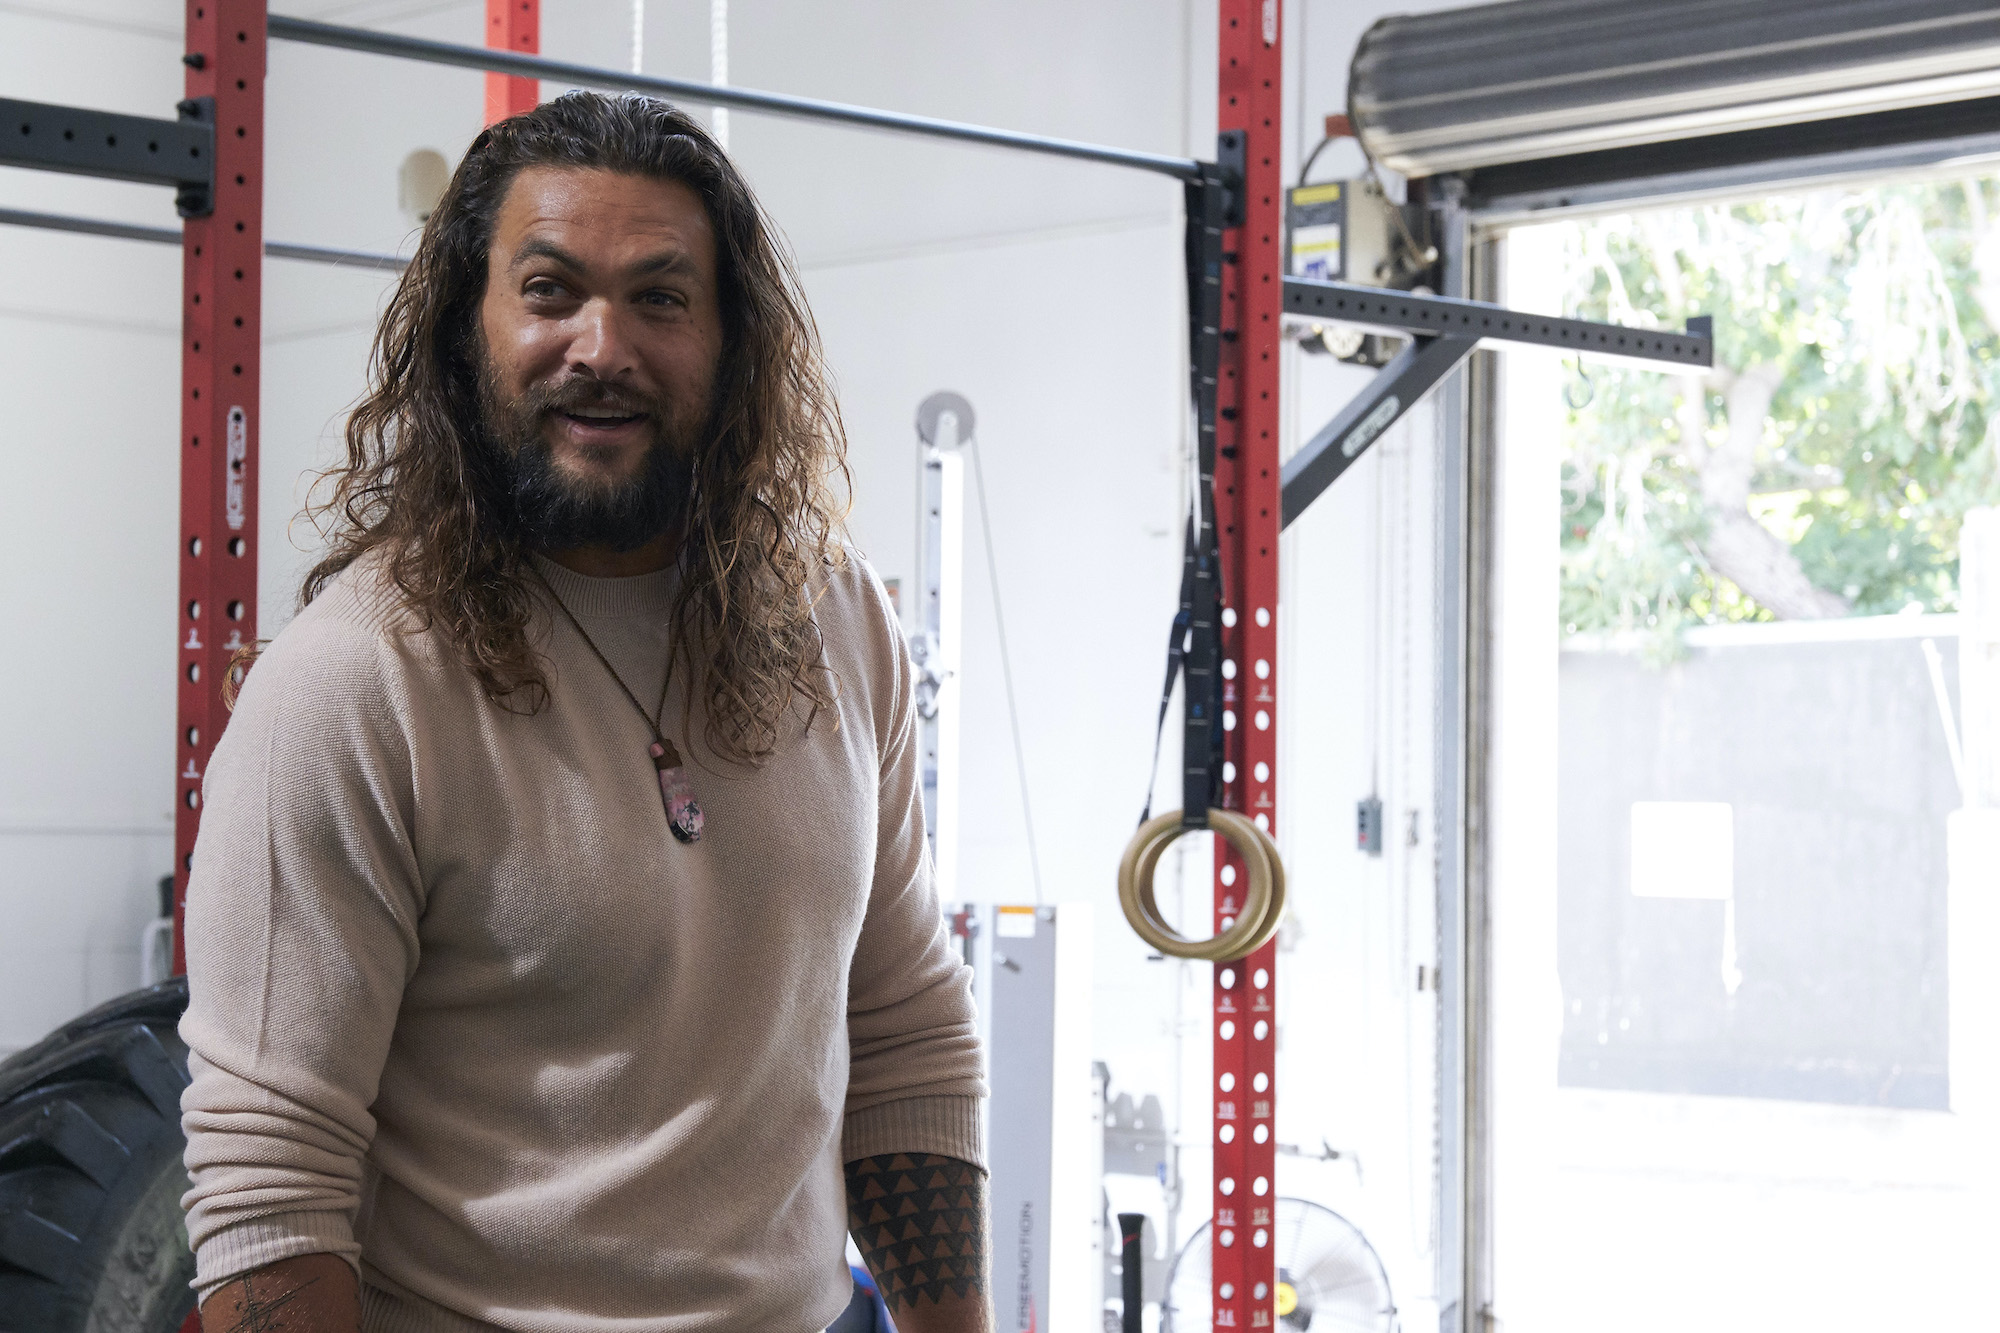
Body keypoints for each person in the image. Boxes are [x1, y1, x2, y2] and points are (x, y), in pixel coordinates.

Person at [180, 92, 989, 1333]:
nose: (602, 346)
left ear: (732, 342)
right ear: (467, 329)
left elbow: (904, 1024)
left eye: (661, 297)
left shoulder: (835, 623)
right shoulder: (353, 684)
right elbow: (270, 1190)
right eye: (550, 290)